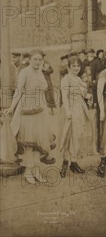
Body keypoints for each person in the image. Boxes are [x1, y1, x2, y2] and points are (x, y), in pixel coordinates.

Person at [4, 50, 56, 184]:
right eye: (35, 59)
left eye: (40, 59)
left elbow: (45, 87)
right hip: (27, 108)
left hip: (40, 108)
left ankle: (36, 169)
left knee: (39, 140)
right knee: (29, 141)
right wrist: (11, 108)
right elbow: (19, 92)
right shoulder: (24, 72)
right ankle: (28, 171)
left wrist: (40, 73)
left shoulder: (40, 72)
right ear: (30, 59)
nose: (37, 62)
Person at [58, 57, 96, 178]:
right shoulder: (66, 79)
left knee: (78, 136)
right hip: (71, 109)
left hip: (80, 109)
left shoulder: (79, 78)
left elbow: (83, 94)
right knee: (69, 136)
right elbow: (64, 96)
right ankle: (64, 163)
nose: (76, 68)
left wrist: (89, 96)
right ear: (68, 67)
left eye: (78, 66)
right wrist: (68, 112)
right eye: (73, 66)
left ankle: (74, 162)